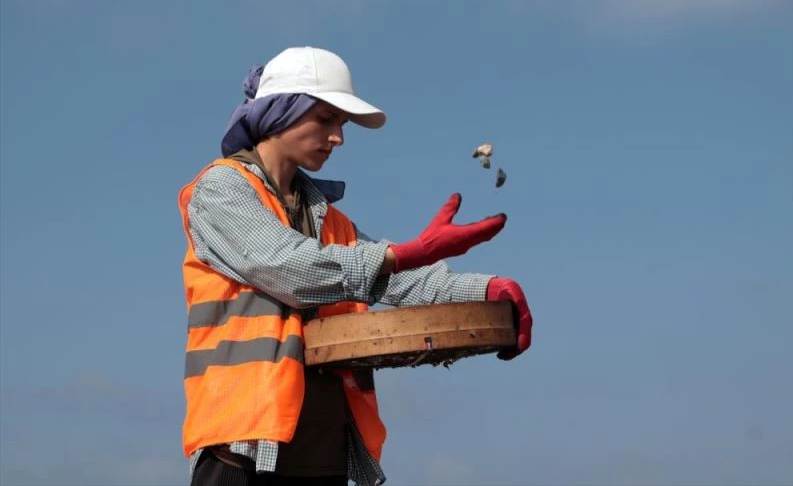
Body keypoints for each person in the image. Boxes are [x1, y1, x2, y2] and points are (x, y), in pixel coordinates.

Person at [177, 46, 533, 486]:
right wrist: (403, 252)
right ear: (279, 112)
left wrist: (486, 292)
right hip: (243, 454)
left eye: (341, 124)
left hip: (322, 457)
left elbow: (396, 281)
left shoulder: (328, 218)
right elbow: (287, 267)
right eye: (325, 119)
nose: (338, 137)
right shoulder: (220, 191)